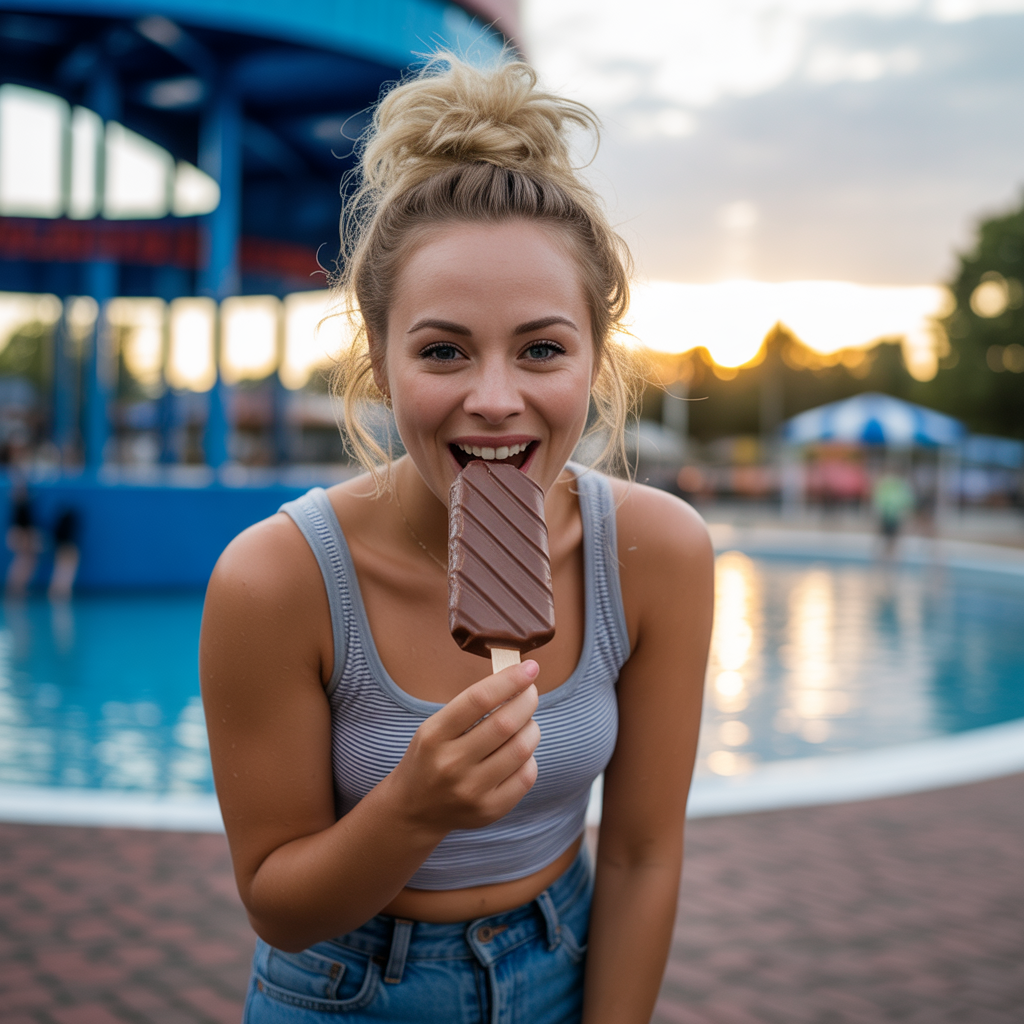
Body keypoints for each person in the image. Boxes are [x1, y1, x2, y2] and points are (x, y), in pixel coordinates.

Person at [200, 53, 713, 1024]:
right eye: (442, 350)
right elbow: (277, 902)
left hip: (566, 961)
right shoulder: (276, 579)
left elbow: (644, 851)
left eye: (541, 348)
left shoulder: (659, 553)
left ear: (596, 359)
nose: (492, 398)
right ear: (381, 363)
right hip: (343, 991)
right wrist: (414, 808)